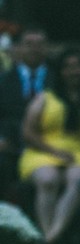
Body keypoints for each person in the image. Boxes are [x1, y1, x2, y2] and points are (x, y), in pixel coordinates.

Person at [17, 47, 80, 244]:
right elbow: (28, 132)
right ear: (60, 72)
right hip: (43, 150)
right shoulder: (45, 98)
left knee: (78, 180)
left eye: (78, 66)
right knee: (48, 179)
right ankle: (47, 232)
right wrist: (55, 152)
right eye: (68, 67)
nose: (74, 71)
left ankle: (53, 236)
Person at [0, 27, 49, 192]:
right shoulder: (3, 81)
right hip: (9, 144)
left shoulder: (58, 79)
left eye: (39, 44)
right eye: (28, 44)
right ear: (18, 48)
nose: (34, 49)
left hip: (49, 142)